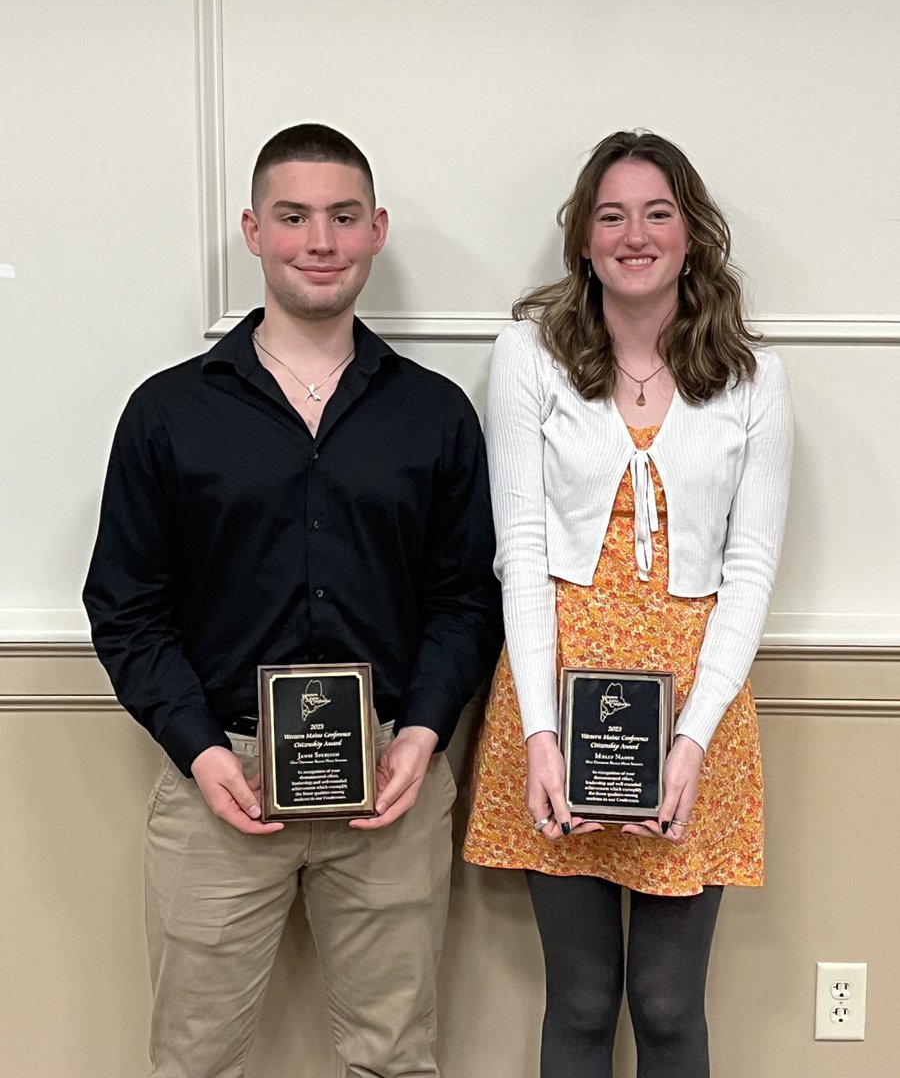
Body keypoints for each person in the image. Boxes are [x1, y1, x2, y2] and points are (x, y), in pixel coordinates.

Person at [83, 123, 502, 1078]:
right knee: (193, 1061)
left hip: (395, 781)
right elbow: (126, 605)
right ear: (254, 231)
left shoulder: (433, 414)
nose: (321, 239)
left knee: (396, 1058)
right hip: (219, 782)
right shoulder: (168, 412)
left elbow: (465, 599)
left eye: (343, 217)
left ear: (376, 230)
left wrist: (426, 733)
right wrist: (194, 747)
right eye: (296, 216)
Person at [463, 130, 793, 1078]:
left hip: (700, 712)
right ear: (583, 236)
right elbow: (519, 551)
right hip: (556, 703)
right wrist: (537, 732)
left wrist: (689, 740)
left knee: (666, 1001)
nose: (635, 234)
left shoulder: (754, 378)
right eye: (612, 215)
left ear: (692, 233)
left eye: (657, 213)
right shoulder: (529, 356)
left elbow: (752, 569)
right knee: (578, 998)